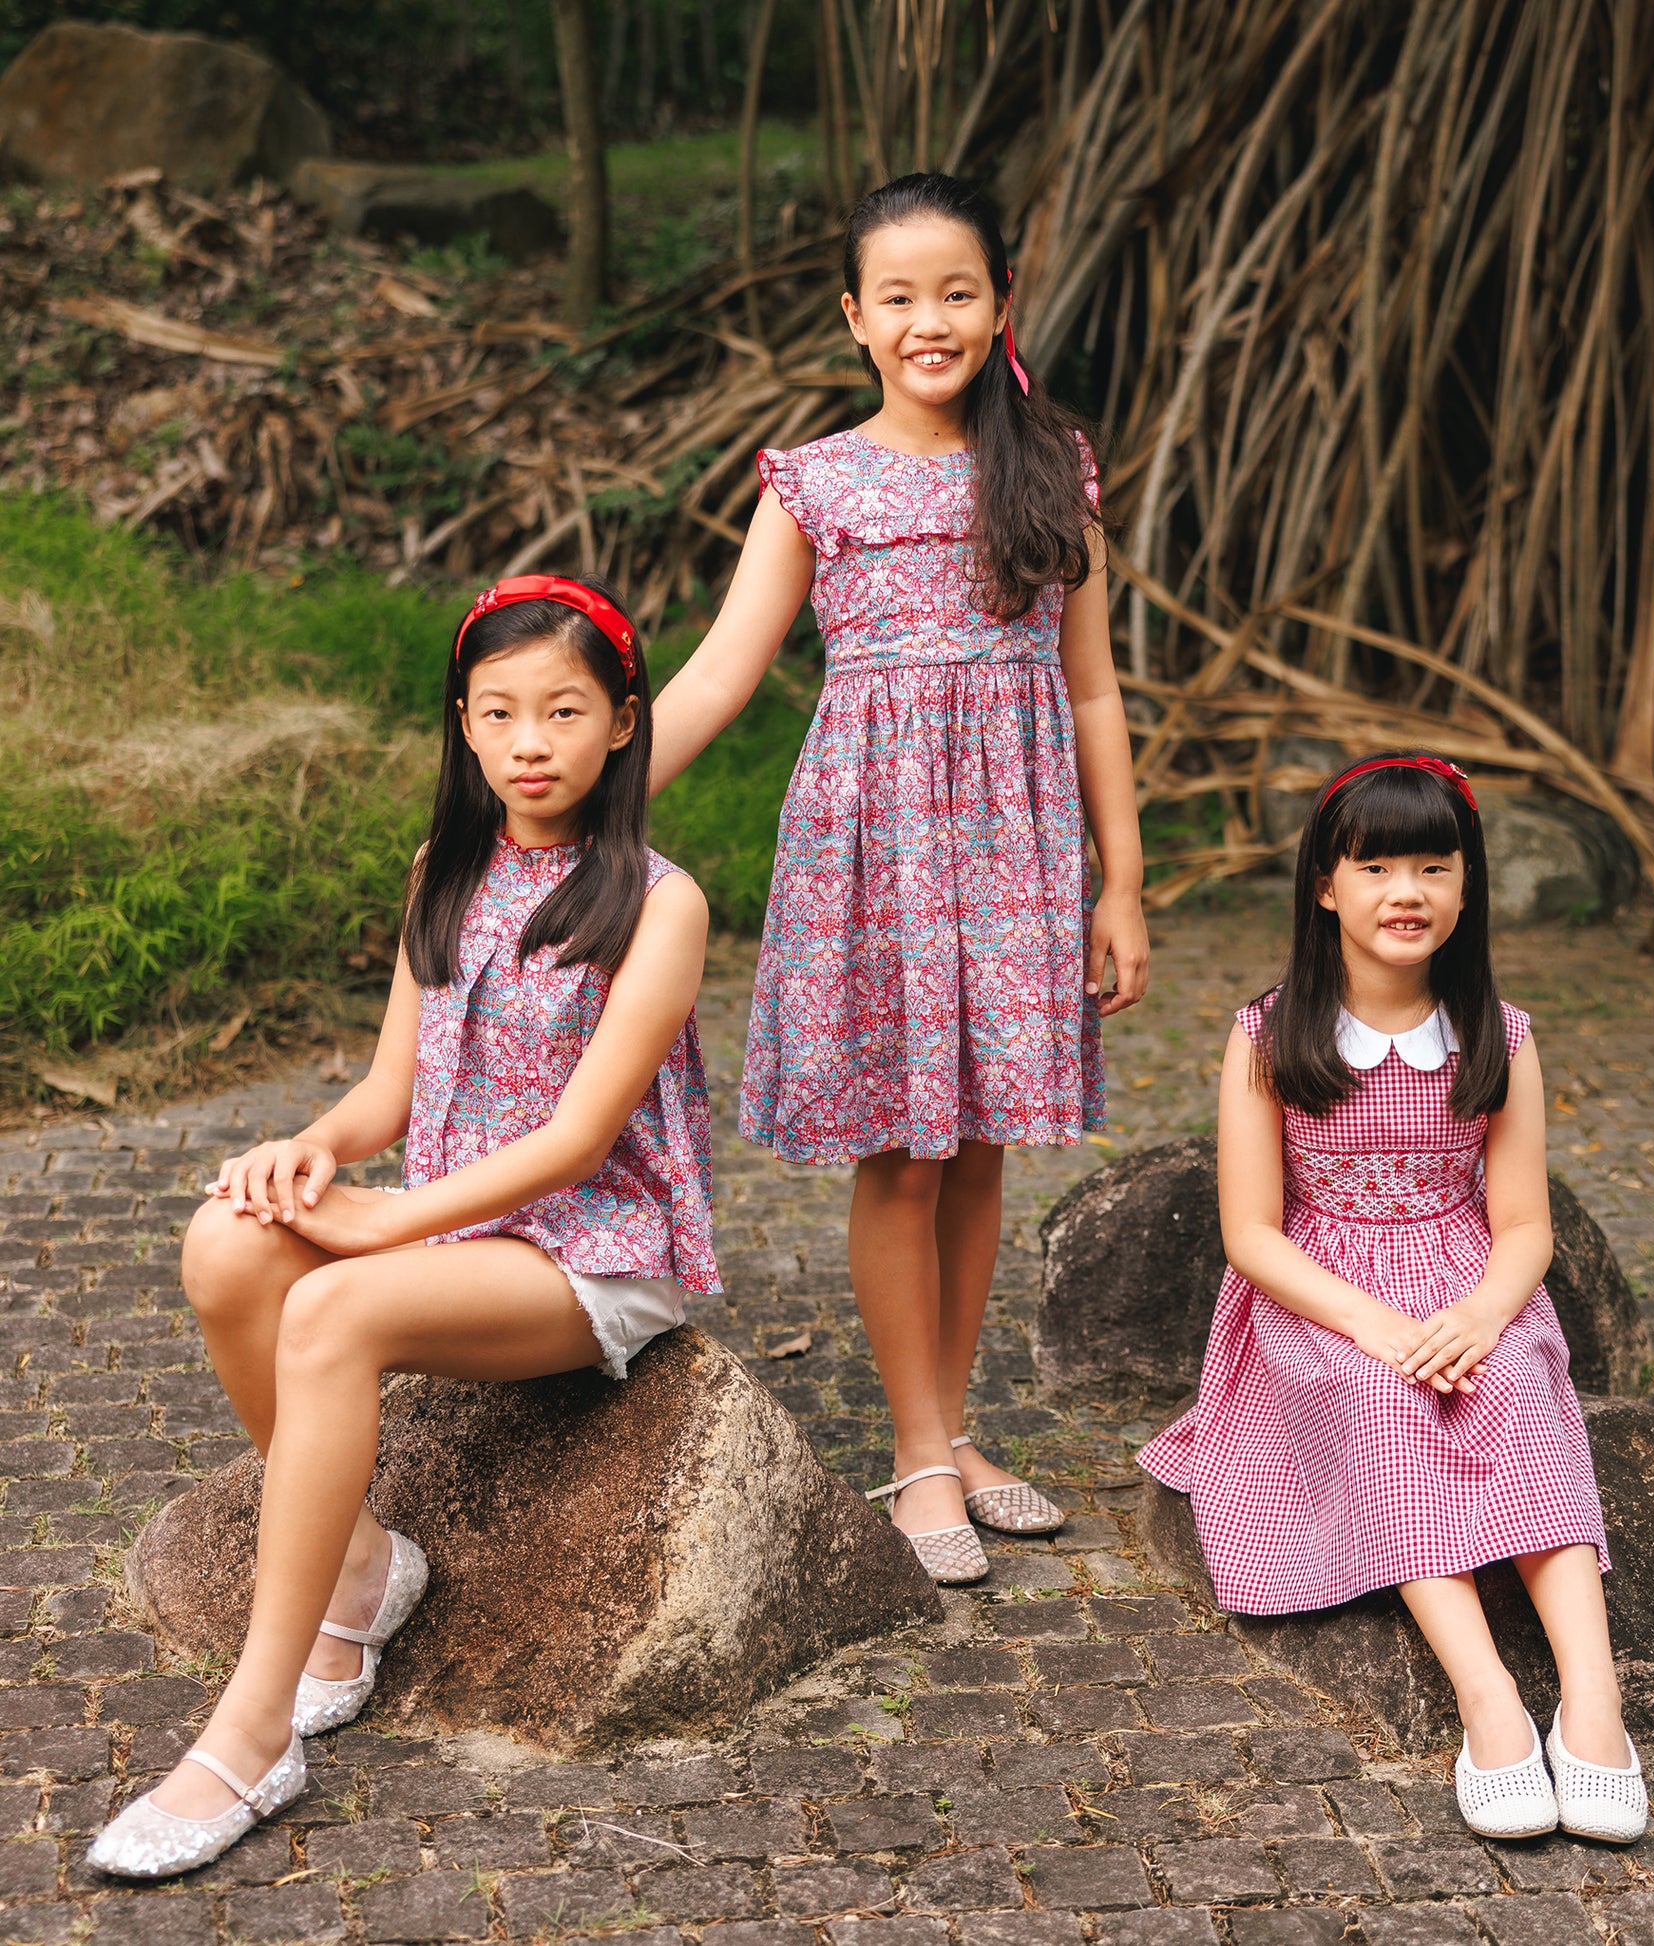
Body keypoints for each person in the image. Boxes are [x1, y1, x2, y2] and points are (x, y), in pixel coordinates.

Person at [89, 574, 718, 1878]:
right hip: (447, 1232)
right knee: (225, 1241)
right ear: (465, 724)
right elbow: (390, 1089)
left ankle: (255, 1728)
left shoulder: (661, 902)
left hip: (589, 1250)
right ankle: (366, 1568)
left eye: (563, 709)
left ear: (621, 722)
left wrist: (384, 1224)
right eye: (499, 711)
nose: (530, 741)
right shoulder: (445, 868)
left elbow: (575, 1143)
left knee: (330, 1305)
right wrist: (311, 1151)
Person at [648, 172, 1149, 1584]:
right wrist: (568, 799)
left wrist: (1120, 882)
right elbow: (719, 674)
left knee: (978, 1142)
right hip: (875, 846)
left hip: (1017, 845)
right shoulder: (813, 481)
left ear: (1000, 306)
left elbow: (1092, 689)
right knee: (905, 1153)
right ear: (854, 319)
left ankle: (953, 1428)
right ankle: (918, 1450)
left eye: (957, 292)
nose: (930, 320)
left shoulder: (1052, 467)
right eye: (899, 297)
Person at [1138, 753, 1648, 1843]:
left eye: (1431, 867)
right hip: (1319, 1296)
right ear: (1325, 886)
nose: (1404, 892)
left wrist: (1481, 1314)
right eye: (1374, 868)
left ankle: (1593, 1701)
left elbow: (1524, 1223)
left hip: (1464, 1278)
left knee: (1520, 1396)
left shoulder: (1499, 1035)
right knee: (1379, 1402)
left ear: (1466, 888)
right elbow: (1250, 1233)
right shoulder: (1268, 1033)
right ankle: (1488, 1698)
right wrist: (1374, 1324)